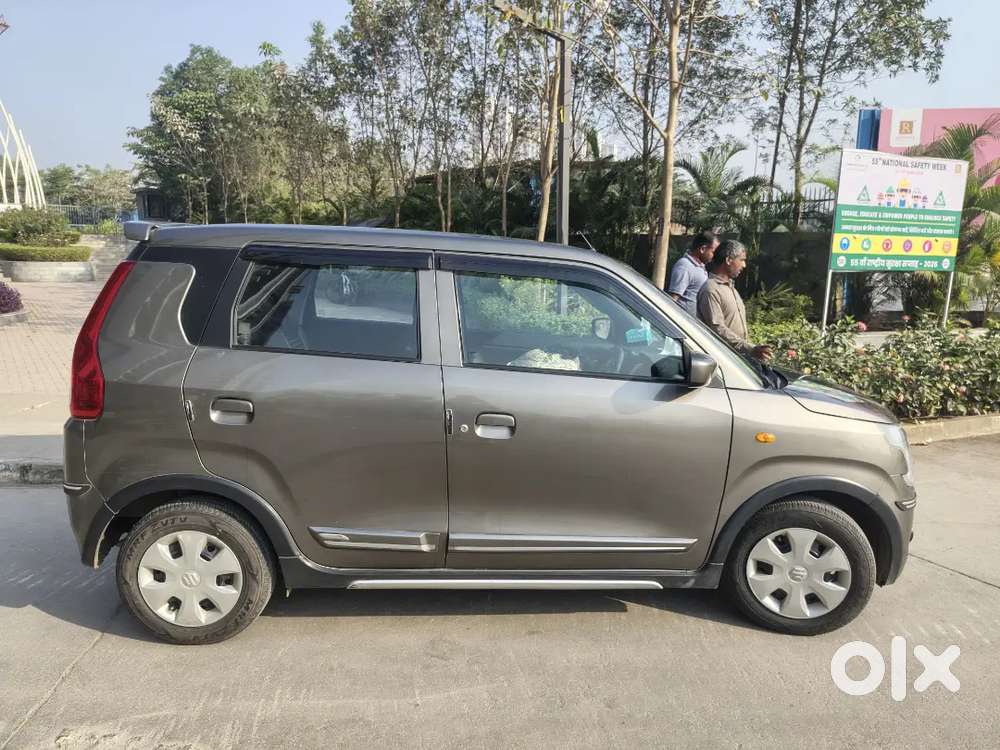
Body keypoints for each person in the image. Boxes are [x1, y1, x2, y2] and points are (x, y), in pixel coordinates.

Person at [696, 239, 772, 361]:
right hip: (723, 361)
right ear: (728, 260)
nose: (744, 265)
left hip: (738, 360)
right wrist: (749, 348)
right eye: (741, 260)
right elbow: (717, 329)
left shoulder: (731, 289)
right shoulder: (711, 290)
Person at [667, 230, 718, 316]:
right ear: (702, 249)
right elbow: (673, 299)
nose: (714, 256)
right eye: (713, 252)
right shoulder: (685, 266)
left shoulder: (700, 266)